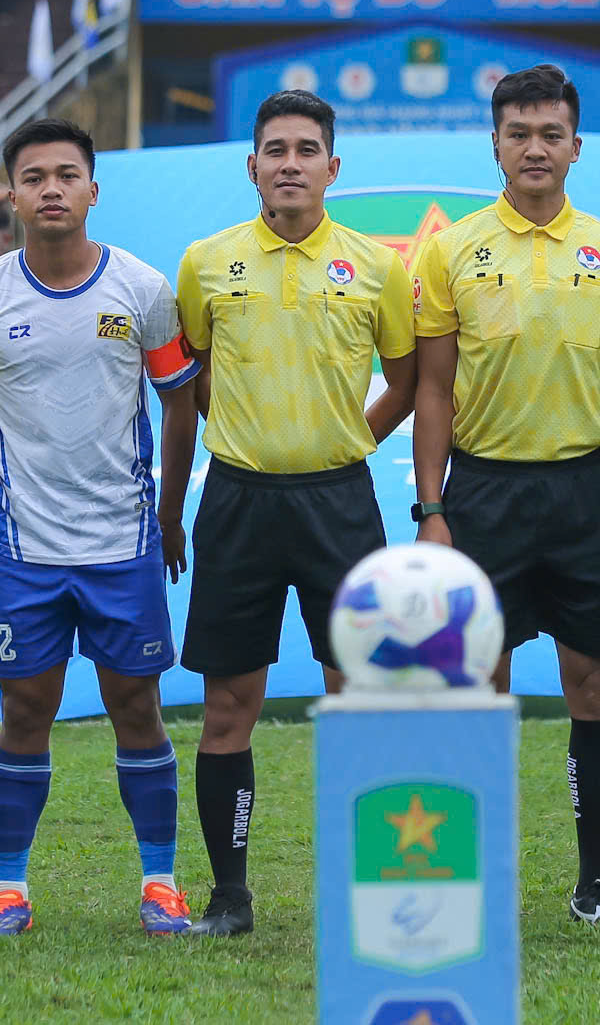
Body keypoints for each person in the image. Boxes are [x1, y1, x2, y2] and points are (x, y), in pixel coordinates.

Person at [411, 66, 600, 928]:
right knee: (479, 687)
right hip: (483, 493)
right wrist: (431, 508)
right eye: (518, 133)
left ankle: (595, 883)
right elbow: (432, 391)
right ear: (494, 144)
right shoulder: (450, 250)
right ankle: (472, 884)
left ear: (576, 146)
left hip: (584, 490)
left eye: (550, 133)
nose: (534, 148)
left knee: (594, 687)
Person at [0, 118, 203, 937]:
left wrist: (168, 512)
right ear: (11, 196)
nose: (50, 189)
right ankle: (9, 888)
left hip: (124, 544)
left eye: (65, 174)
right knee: (24, 710)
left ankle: (161, 883)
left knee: (137, 707)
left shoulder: (144, 290)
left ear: (93, 189)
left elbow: (181, 403)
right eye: (33, 177)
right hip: (27, 552)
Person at [172, 90, 417, 937]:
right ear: (252, 166)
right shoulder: (205, 261)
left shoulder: (377, 267)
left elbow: (407, 380)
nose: (290, 164)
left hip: (339, 504)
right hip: (237, 501)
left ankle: (369, 888)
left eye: (306, 150)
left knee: (359, 696)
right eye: (275, 149)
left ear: (332, 167)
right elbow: (193, 373)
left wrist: (346, 439)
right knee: (228, 707)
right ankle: (229, 895)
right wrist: (246, 432)